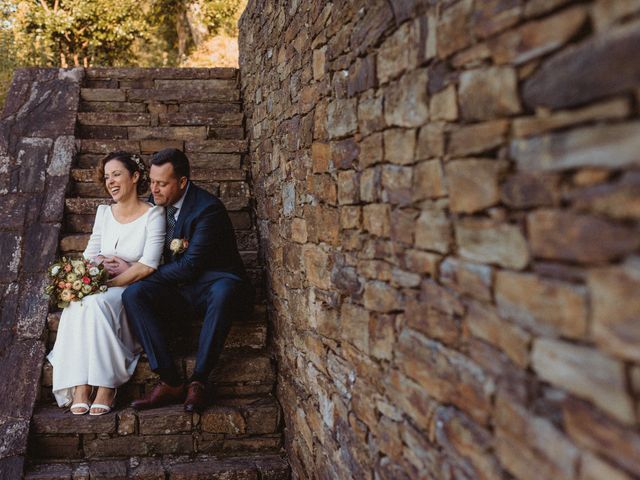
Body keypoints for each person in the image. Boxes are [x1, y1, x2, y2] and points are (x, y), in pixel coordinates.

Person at [122, 148, 252, 413]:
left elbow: (190, 267)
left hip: (210, 286)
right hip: (178, 291)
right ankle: (170, 381)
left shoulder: (207, 210)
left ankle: (199, 381)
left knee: (225, 290)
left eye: (162, 183)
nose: (154, 189)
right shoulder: (154, 204)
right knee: (133, 294)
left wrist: (143, 271)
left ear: (182, 182)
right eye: (153, 181)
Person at [47, 152, 165, 415]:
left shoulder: (154, 215)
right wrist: (98, 267)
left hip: (130, 288)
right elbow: (90, 255)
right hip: (103, 283)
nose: (110, 181)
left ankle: (106, 385)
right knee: (77, 302)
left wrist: (116, 278)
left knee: (96, 303)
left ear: (134, 177)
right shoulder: (104, 212)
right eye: (107, 176)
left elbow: (149, 264)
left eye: (117, 174)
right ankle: (80, 385)